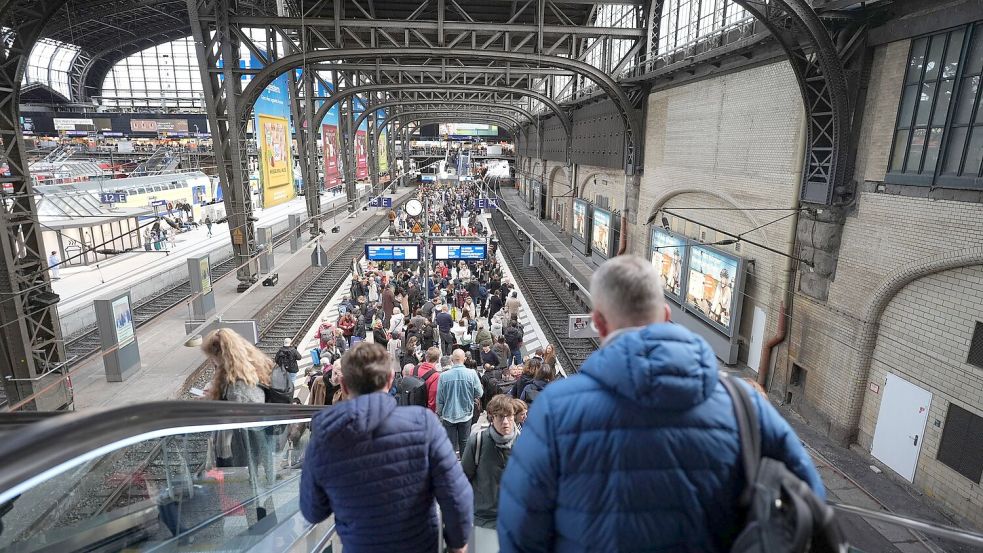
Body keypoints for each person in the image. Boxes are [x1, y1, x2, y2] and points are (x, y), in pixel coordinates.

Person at [497, 255, 824, 552]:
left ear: (598, 321)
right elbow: (808, 506)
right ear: (666, 315)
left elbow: (521, 530)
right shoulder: (747, 405)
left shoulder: (555, 410)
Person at [300, 342, 473, 553]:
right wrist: (457, 544)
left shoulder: (324, 435)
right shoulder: (423, 424)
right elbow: (457, 495)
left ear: (344, 385)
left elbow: (313, 512)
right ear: (391, 380)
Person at [462, 395, 518, 553]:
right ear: (492, 418)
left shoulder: (524, 443)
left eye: (509, 416)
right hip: (482, 520)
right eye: (500, 417)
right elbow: (462, 480)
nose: (505, 422)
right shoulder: (478, 442)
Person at [436, 348, 484, 456]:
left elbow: (440, 398)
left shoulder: (443, 376)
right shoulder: (471, 374)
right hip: (466, 413)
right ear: (465, 359)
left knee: (450, 444)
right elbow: (479, 393)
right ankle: (464, 465)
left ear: (452, 359)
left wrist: (440, 412)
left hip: (448, 415)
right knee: (465, 441)